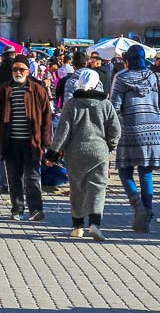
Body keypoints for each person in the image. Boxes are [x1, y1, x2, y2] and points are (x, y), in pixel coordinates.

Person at [45, 69, 120, 240]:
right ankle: (94, 223)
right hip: (99, 152)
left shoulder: (71, 105)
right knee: (97, 188)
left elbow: (62, 131)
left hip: (75, 152)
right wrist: (109, 145)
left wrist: (53, 154)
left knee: (77, 188)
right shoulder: (105, 104)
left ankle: (77, 226)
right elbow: (116, 129)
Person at [0, 54, 52, 221]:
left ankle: (36, 210)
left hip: (32, 143)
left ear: (28, 71)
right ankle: (17, 209)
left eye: (21, 69)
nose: (18, 72)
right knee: (14, 178)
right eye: (15, 69)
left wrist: (46, 142)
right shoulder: (4, 90)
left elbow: (47, 118)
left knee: (33, 177)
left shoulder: (38, 90)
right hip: (10, 142)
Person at [112, 45, 160, 234]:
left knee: (124, 170)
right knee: (146, 173)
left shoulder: (121, 78)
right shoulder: (155, 77)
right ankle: (147, 216)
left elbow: (115, 106)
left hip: (131, 128)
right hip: (154, 129)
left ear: (127, 60)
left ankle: (138, 208)